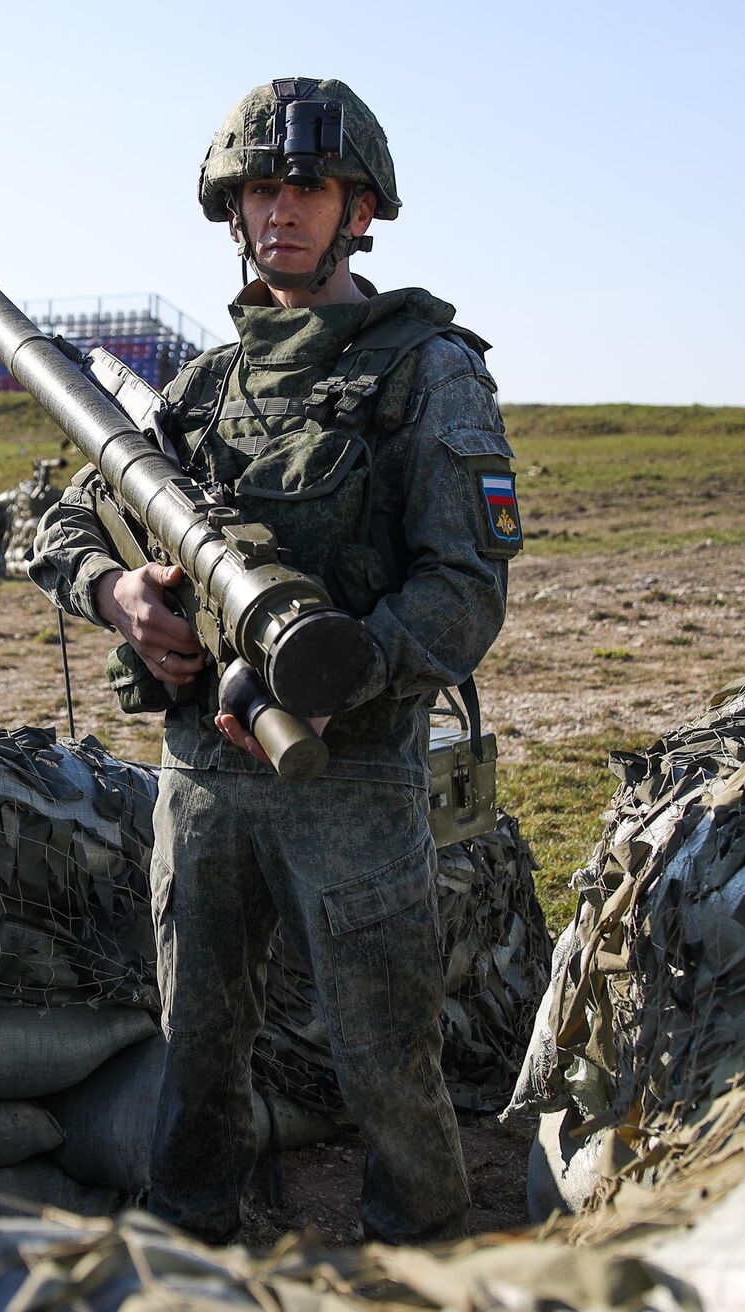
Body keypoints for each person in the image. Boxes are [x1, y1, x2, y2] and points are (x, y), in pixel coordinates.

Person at [30, 76, 523, 1245]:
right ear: (234, 209)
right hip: (201, 773)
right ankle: (199, 1237)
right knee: (195, 1033)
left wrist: (337, 669)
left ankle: (425, 1257)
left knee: (383, 1047)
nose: (282, 210)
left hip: (350, 778)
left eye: (309, 186)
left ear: (361, 209)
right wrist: (120, 594)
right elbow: (50, 523)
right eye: (262, 187)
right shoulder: (199, 393)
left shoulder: (424, 371)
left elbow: (465, 592)